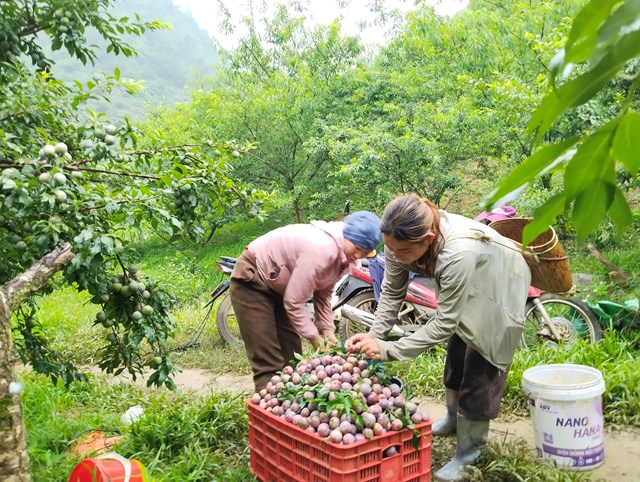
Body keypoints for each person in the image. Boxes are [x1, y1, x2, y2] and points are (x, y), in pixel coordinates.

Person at [345, 194, 531, 482]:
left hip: (500, 282)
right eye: (390, 248)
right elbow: (392, 294)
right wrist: (374, 337)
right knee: (457, 354)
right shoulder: (398, 242)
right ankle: (452, 419)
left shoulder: (458, 252)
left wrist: (389, 350)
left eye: (403, 250)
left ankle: (468, 455)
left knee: (482, 363)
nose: (395, 254)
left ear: (429, 237)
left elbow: (443, 323)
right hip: (468, 281)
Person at [229, 210, 381, 392]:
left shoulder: (342, 257)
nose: (358, 255)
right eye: (357, 247)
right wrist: (314, 337)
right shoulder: (322, 249)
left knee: (292, 358)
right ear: (347, 236)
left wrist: (327, 330)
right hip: (254, 280)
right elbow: (294, 302)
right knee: (269, 362)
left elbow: (323, 294)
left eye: (364, 251)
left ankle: (290, 411)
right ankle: (268, 413)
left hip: (280, 288)